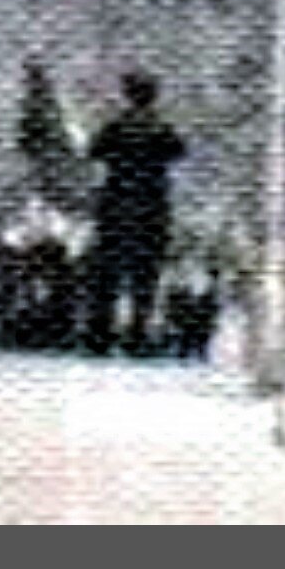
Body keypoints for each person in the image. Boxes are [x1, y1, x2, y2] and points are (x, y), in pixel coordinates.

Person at [85, 72, 186, 359]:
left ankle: (100, 336)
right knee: (145, 278)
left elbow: (94, 151)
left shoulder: (115, 127)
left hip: (116, 208)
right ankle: (137, 336)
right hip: (151, 210)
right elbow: (179, 152)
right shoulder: (162, 129)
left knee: (107, 275)